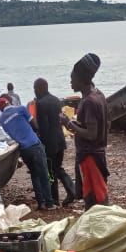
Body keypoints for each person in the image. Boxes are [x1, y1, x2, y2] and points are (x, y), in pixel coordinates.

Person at [61, 53, 110, 209]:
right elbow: (101, 125)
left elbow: (91, 134)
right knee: (95, 195)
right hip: (96, 153)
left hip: (90, 156)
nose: (70, 81)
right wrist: (75, 124)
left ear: (81, 79)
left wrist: (68, 123)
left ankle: (99, 221)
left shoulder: (89, 101)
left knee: (95, 198)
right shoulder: (98, 95)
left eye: (72, 78)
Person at [0, 97, 56, 211]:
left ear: (0, 109)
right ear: (9, 102)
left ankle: (41, 203)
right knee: (44, 174)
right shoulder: (21, 109)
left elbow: (10, 133)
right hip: (34, 145)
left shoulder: (2, 119)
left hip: (23, 150)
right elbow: (35, 126)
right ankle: (49, 203)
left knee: (34, 174)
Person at [33, 77, 77, 206]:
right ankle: (71, 190)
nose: (34, 91)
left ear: (40, 88)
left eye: (35, 88)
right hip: (60, 139)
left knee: (51, 171)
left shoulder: (40, 103)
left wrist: (42, 143)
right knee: (57, 168)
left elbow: (43, 127)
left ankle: (54, 198)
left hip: (49, 142)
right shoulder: (56, 100)